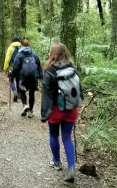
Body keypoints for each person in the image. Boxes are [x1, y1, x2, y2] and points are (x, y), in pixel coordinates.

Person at [40, 43, 83, 185]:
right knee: (67, 138)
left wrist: (43, 116)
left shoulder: (50, 71)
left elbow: (46, 96)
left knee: (54, 135)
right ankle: (71, 168)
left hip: (55, 111)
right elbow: (79, 91)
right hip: (71, 109)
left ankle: (57, 162)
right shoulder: (73, 69)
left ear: (52, 54)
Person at [12, 39, 43, 118]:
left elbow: (15, 67)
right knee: (32, 94)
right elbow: (39, 65)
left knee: (22, 92)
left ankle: (25, 105)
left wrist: (13, 76)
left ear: (21, 45)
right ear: (29, 45)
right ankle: (31, 111)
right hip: (33, 77)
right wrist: (41, 76)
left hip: (23, 77)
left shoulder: (19, 54)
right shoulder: (34, 53)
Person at [4, 36, 22, 102]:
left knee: (11, 80)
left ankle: (14, 92)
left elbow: (7, 59)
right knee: (18, 80)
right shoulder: (21, 48)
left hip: (11, 68)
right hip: (20, 69)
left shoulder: (10, 48)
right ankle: (19, 94)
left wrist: (5, 68)